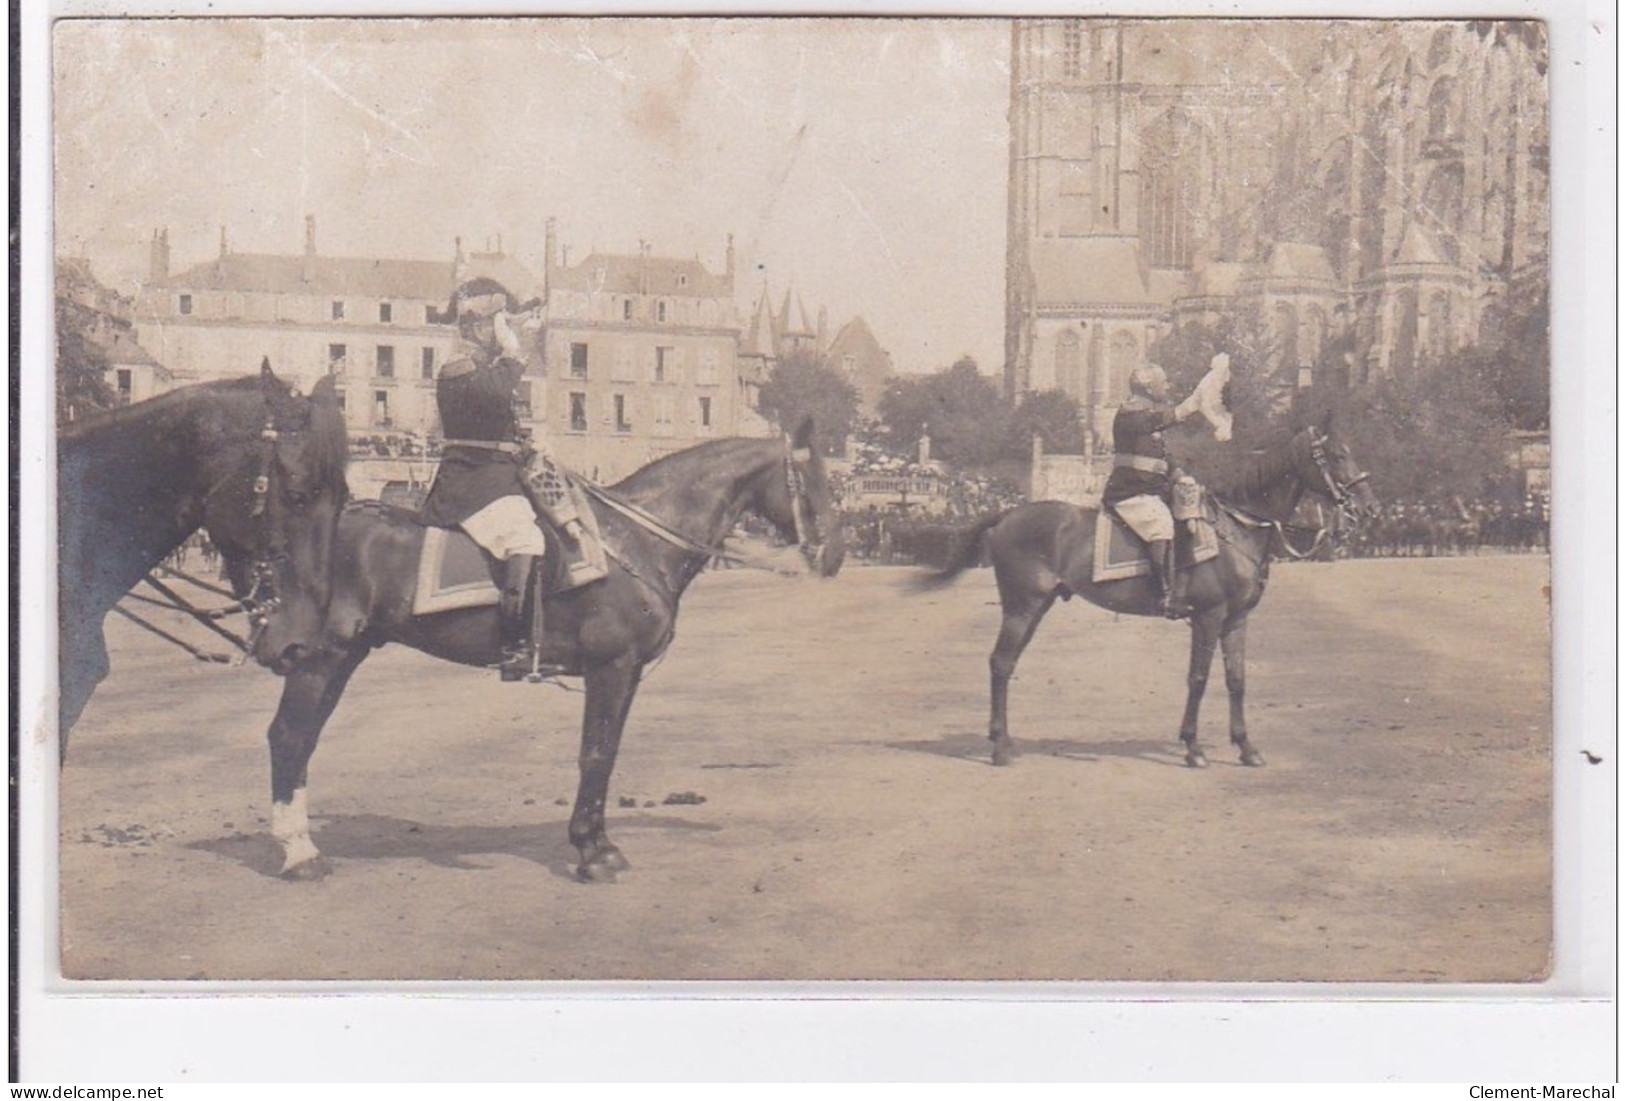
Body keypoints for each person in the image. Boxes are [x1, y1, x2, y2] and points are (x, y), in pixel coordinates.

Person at [420, 277, 558, 680]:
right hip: (474, 481)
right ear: (481, 328)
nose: (505, 332)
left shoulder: (481, 367)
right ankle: (513, 647)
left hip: (494, 475)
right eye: (499, 323)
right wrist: (514, 349)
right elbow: (495, 395)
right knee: (525, 539)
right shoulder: (458, 367)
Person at [1101, 359, 1215, 619]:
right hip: (1130, 490)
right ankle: (1163, 594)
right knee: (1161, 524)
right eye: (1162, 382)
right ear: (1148, 387)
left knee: (1189, 510)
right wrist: (1192, 404)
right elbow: (1161, 420)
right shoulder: (1132, 413)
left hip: (1150, 487)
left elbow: (1160, 454)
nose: (1167, 385)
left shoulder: (1148, 414)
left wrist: (1179, 474)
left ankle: (1188, 578)